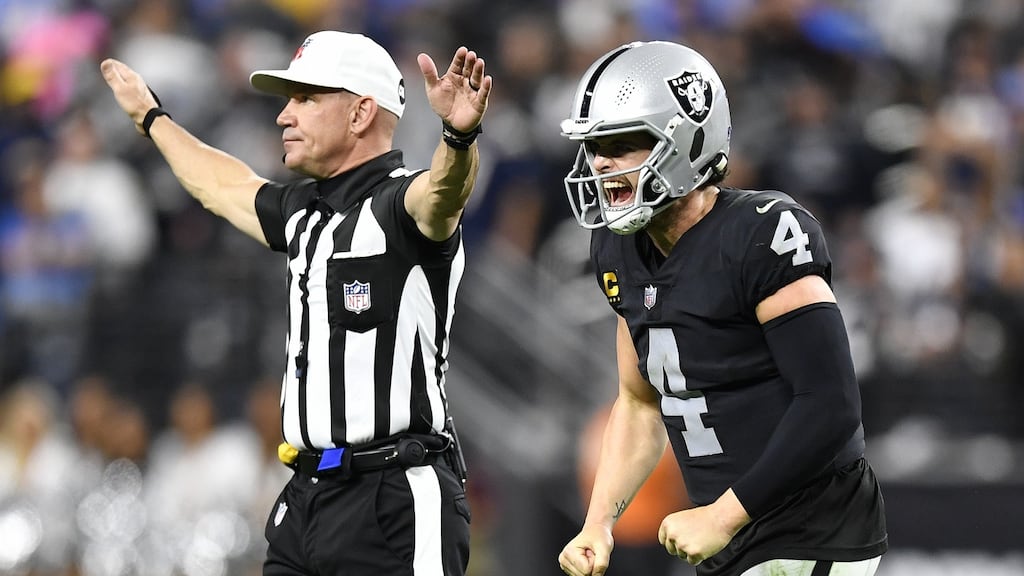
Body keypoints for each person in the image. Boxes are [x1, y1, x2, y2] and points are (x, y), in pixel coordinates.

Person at [100, 29, 490, 575]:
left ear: (360, 113)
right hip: (306, 496)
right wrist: (151, 118)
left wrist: (458, 135)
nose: (284, 116)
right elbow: (220, 185)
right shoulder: (303, 213)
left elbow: (445, 192)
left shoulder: (401, 205)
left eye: (305, 99)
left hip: (394, 496)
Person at [555, 41, 887, 576]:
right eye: (595, 146)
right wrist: (599, 523)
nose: (601, 163)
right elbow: (640, 402)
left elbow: (830, 404)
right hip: (729, 534)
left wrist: (723, 515)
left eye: (623, 143)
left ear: (687, 141)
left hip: (811, 529)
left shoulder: (760, 234)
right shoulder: (618, 248)